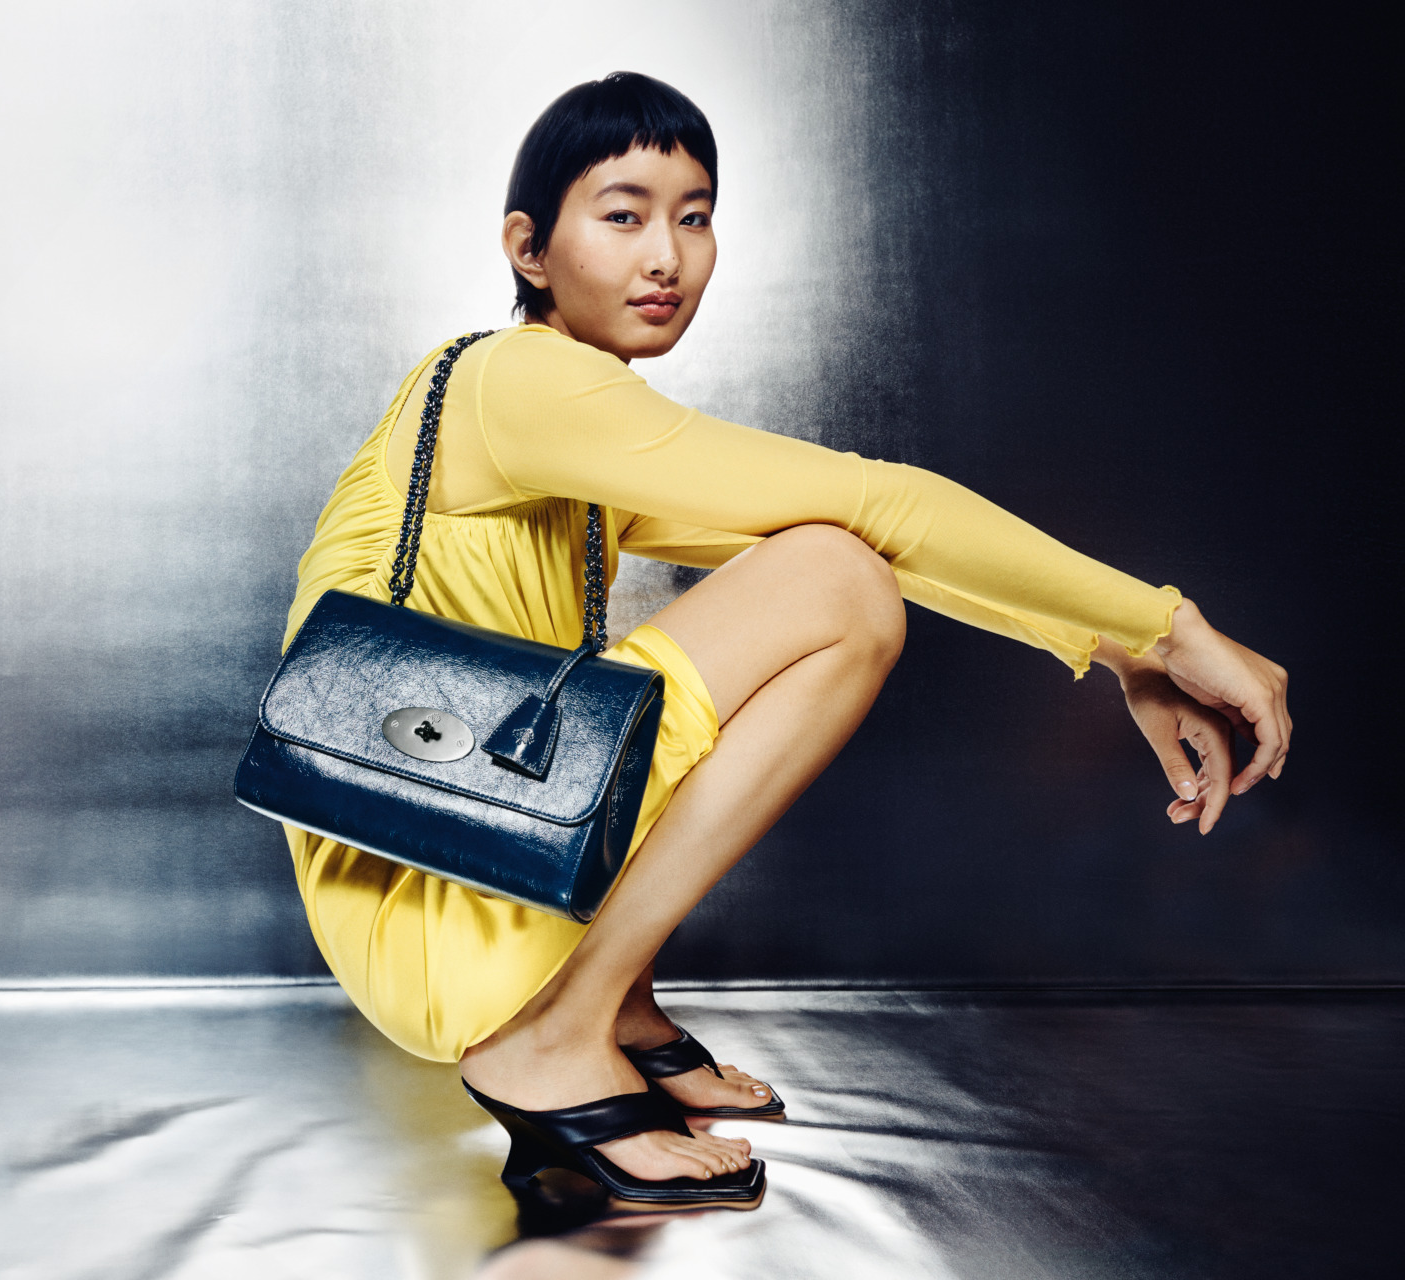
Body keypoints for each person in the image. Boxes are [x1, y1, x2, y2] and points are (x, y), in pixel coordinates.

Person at [274, 72, 1290, 1209]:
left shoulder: (571, 440)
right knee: (834, 578)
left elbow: (895, 543)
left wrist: (1120, 661)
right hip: (429, 898)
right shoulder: (521, 381)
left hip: (470, 866)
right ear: (530, 247)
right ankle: (552, 1037)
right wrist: (1171, 624)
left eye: (695, 216)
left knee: (832, 571)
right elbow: (877, 512)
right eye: (623, 214)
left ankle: (614, 1005)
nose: (667, 256)